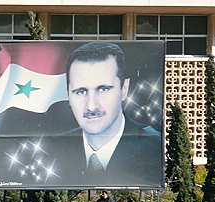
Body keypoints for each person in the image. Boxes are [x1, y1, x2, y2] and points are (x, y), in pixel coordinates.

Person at [57, 41, 161, 187]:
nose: (91, 106)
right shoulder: (56, 149)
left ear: (124, 89)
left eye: (103, 89)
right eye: (80, 92)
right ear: (68, 94)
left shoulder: (153, 146)